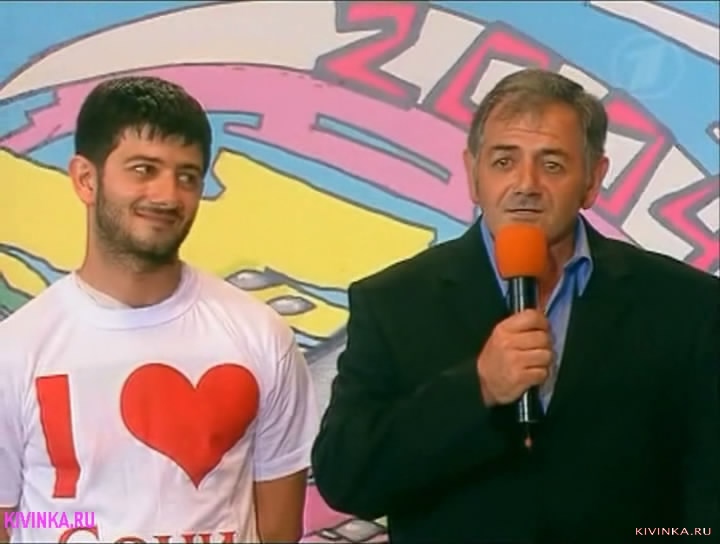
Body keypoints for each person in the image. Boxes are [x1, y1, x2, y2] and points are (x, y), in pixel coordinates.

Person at [311, 69, 719, 543]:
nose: (526, 184)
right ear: (473, 173)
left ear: (592, 180)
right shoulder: (394, 302)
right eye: (504, 161)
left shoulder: (685, 306)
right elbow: (347, 478)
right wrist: (477, 388)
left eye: (552, 165)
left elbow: (707, 503)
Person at [0, 76, 318, 544]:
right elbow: (9, 519)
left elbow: (278, 527)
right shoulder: (16, 351)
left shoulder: (260, 336)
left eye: (187, 176)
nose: (168, 196)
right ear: (86, 179)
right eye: (144, 169)